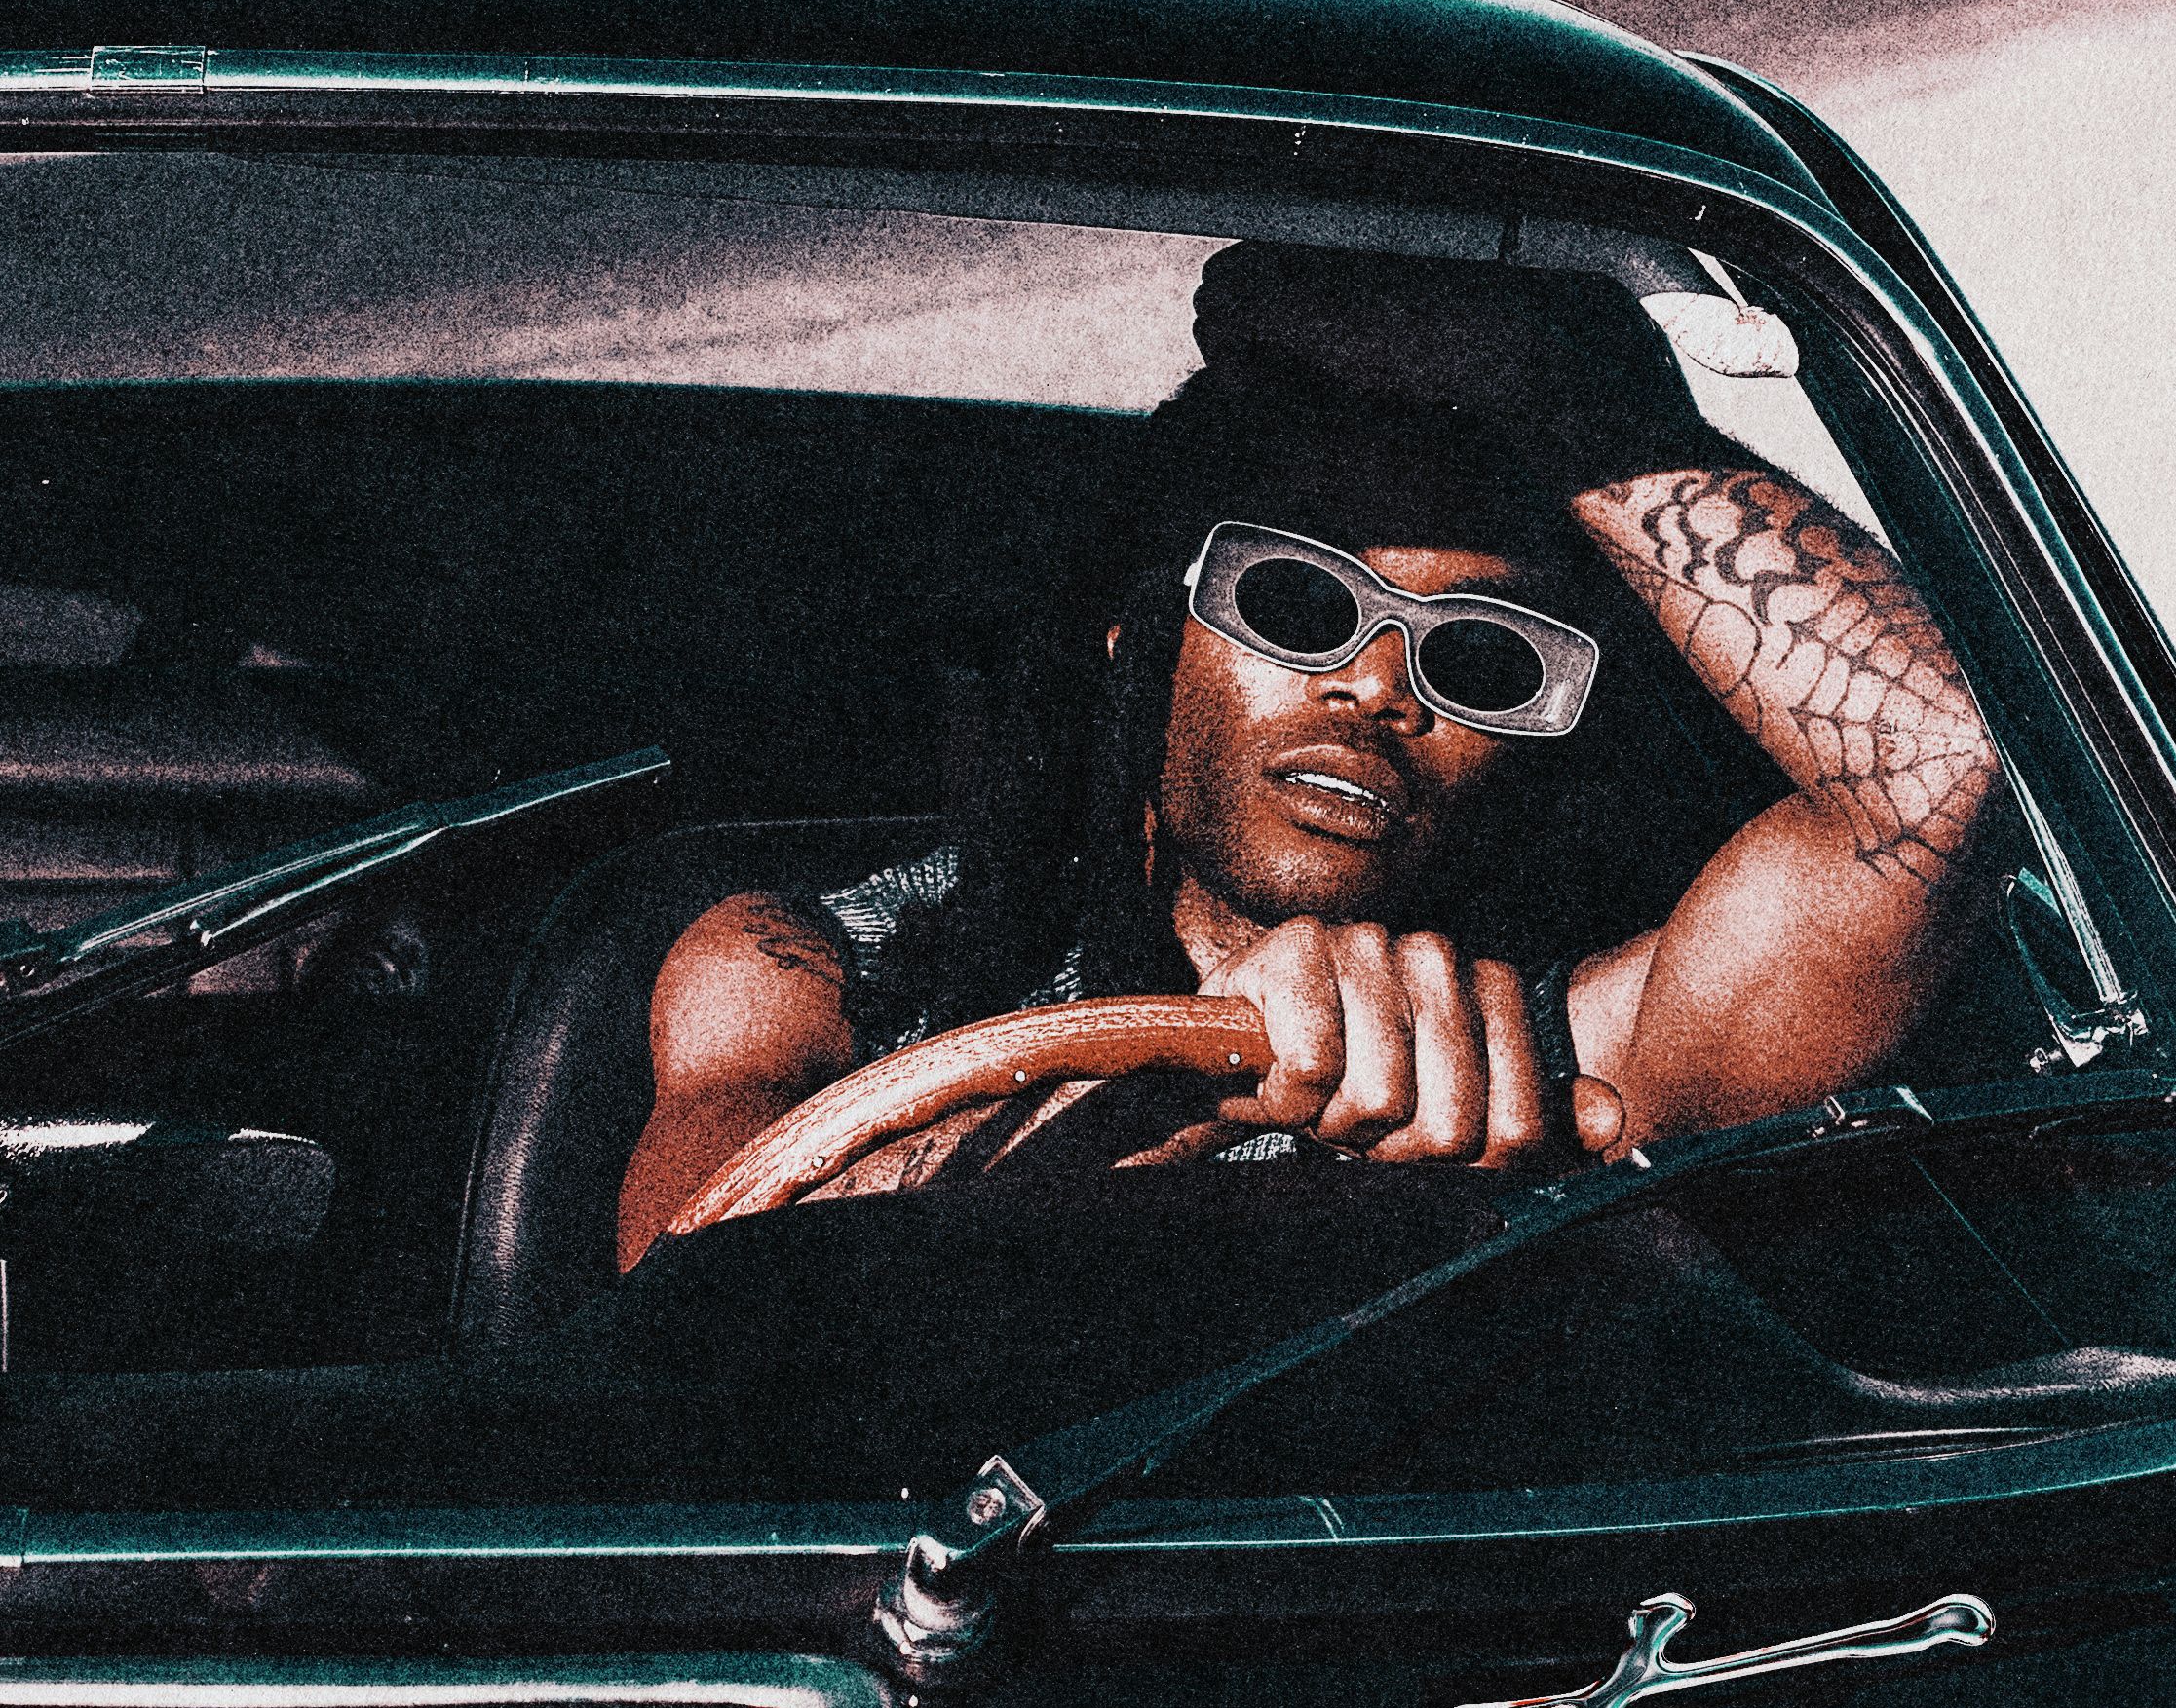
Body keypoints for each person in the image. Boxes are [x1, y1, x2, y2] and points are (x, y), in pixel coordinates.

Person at [616, 247, 1999, 1270]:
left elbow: (1940, 768)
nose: (1378, 685)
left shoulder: (1565, 1044)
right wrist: (1173, 1078)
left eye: (1484, 658)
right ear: (1140, 633)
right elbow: (688, 1292)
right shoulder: (820, 966)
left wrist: (1557, 398)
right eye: (1295, 602)